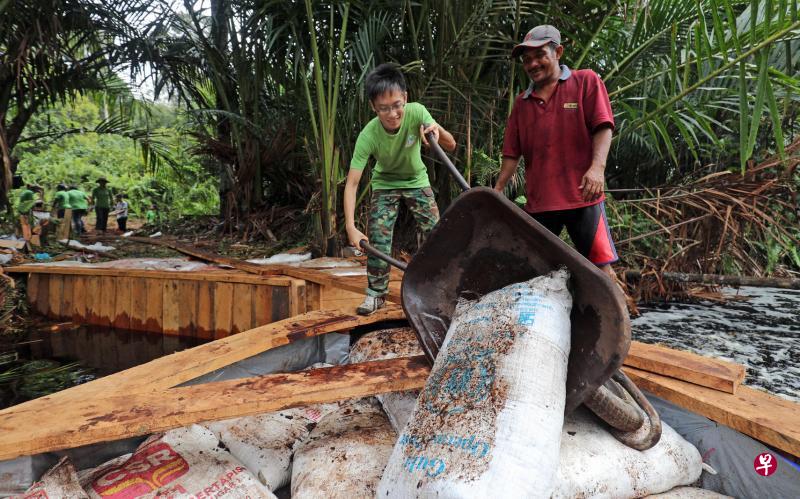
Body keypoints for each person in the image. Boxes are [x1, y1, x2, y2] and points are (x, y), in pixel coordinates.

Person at [495, 25, 619, 278]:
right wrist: (497, 190)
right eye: (527, 60)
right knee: (531, 271)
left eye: (540, 55)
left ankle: (615, 305)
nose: (533, 64)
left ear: (558, 52)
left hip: (583, 196)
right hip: (540, 204)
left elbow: (604, 126)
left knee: (602, 269)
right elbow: (511, 153)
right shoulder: (522, 104)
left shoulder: (585, 81)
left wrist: (597, 169)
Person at [344, 63, 456, 315]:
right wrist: (350, 226)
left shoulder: (417, 112)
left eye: (396, 105)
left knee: (437, 234)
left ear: (405, 97)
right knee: (379, 238)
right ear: (373, 107)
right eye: (383, 108)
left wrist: (436, 131)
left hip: (417, 180)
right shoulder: (368, 135)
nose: (392, 114)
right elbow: (352, 184)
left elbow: (451, 145)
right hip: (385, 184)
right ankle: (376, 295)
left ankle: (445, 289)